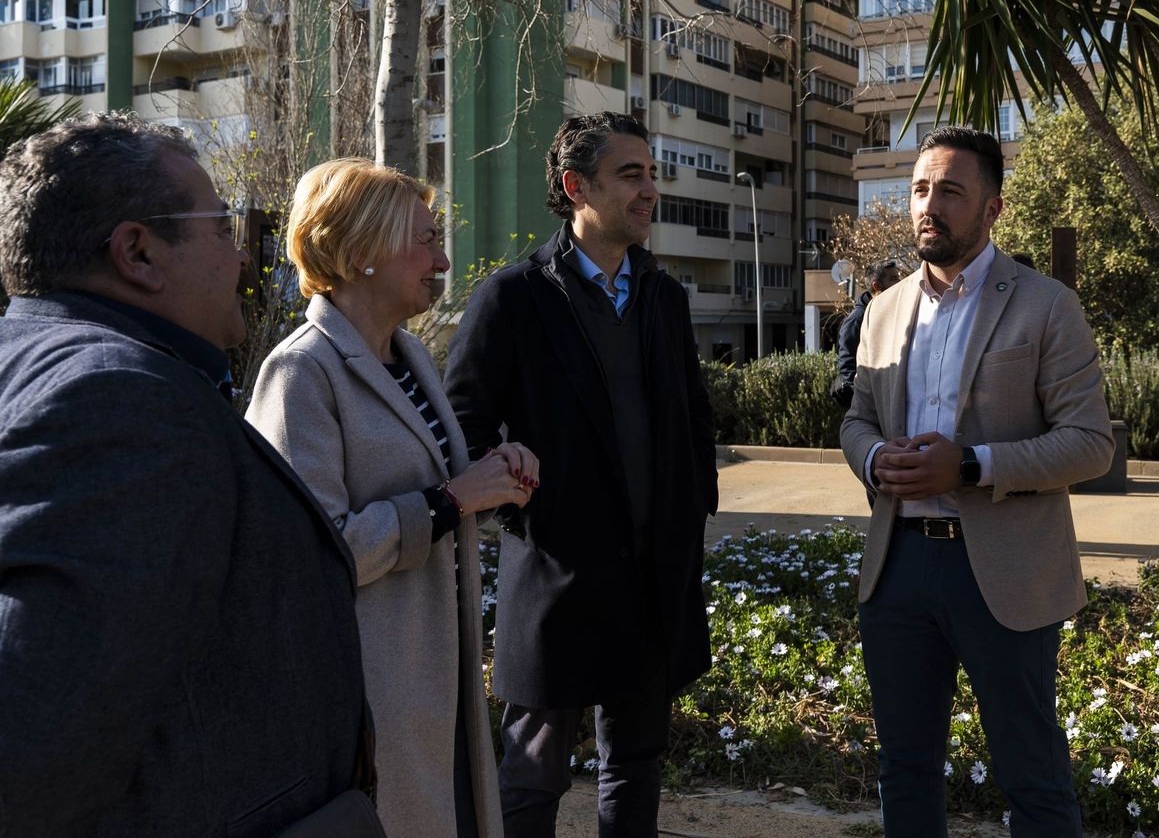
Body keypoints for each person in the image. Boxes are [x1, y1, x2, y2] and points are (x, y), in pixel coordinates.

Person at [0, 115, 377, 836]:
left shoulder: (54, 363)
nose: (242, 259)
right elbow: (37, 753)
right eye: (221, 229)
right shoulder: (116, 401)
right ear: (138, 252)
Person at [445, 112, 718, 838]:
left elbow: (694, 419)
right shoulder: (514, 297)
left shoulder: (664, 297)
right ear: (576, 187)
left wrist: (692, 514)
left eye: (651, 174)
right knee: (530, 779)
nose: (649, 191)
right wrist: (526, 510)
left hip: (652, 580)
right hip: (557, 580)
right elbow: (464, 422)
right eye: (631, 175)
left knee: (637, 766)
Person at [247, 158, 537, 838]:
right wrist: (447, 501)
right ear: (358, 254)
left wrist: (493, 478)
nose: (441, 258)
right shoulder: (300, 372)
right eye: (424, 239)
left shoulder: (407, 357)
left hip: (436, 681)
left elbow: (441, 500)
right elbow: (312, 552)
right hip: (372, 693)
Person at [840, 127, 1114, 838]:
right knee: (904, 766)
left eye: (951, 192)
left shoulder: (1044, 304)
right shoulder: (883, 308)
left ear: (993, 209)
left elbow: (1089, 444)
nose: (930, 206)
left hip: (1004, 570)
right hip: (896, 565)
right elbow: (857, 420)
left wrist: (969, 465)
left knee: (1032, 772)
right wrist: (873, 461)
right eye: (921, 191)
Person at [833, 260, 900, 408]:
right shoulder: (857, 319)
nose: (900, 283)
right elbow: (848, 366)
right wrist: (864, 402)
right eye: (893, 279)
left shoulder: (893, 312)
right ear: (877, 286)